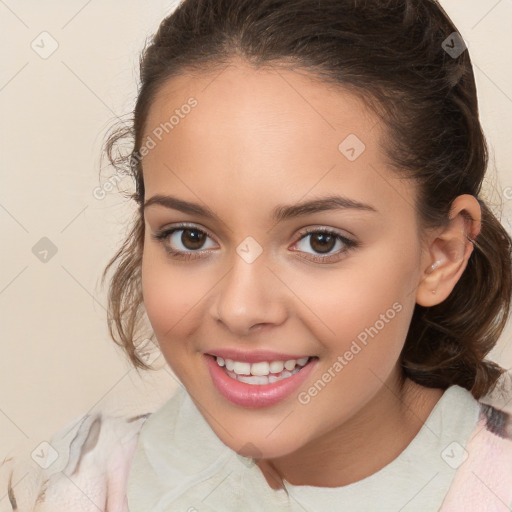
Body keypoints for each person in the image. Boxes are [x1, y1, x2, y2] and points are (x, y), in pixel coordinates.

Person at [2, 0, 512, 510]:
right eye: (190, 237)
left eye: (321, 241)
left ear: (440, 255)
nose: (241, 309)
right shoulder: (52, 492)